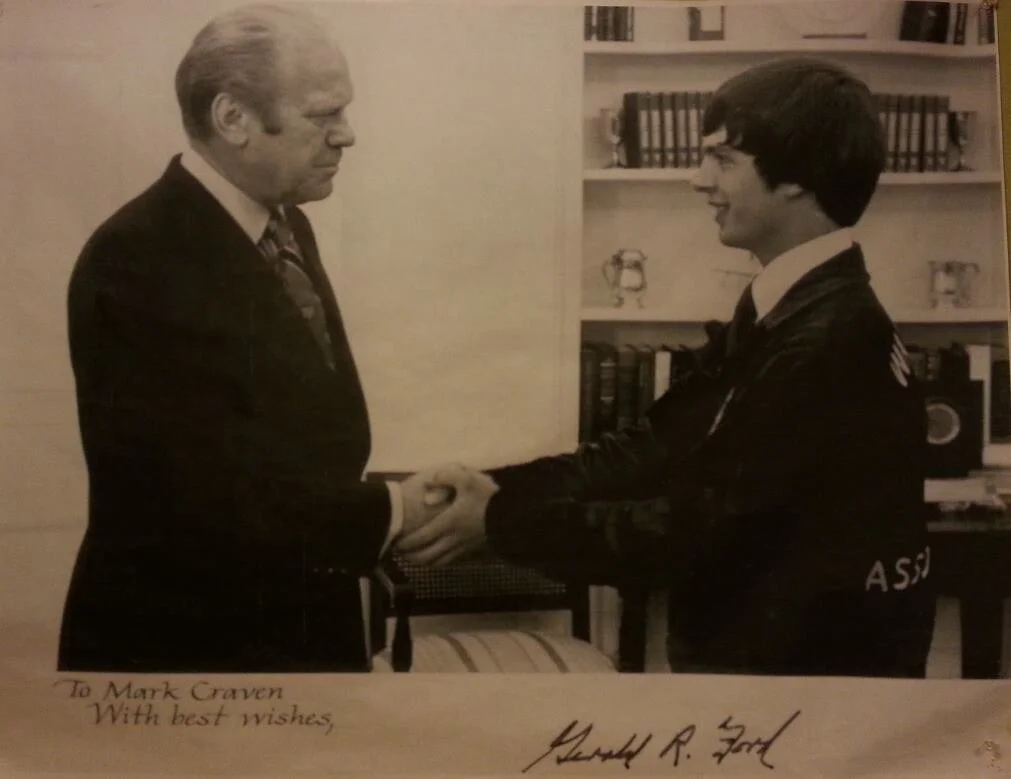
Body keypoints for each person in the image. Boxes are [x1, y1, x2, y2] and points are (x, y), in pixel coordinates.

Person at [399, 57, 937, 678]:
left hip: (802, 687)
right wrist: (494, 487)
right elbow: (653, 448)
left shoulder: (829, 337)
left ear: (797, 176)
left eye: (723, 159)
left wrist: (500, 521)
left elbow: (696, 532)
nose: (698, 181)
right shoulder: (794, 306)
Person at [58, 4, 442, 673]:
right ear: (232, 118)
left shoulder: (286, 223)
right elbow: (202, 499)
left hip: (297, 629)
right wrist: (394, 509)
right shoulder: (136, 258)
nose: (347, 135)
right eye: (324, 114)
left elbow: (300, 436)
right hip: (187, 654)